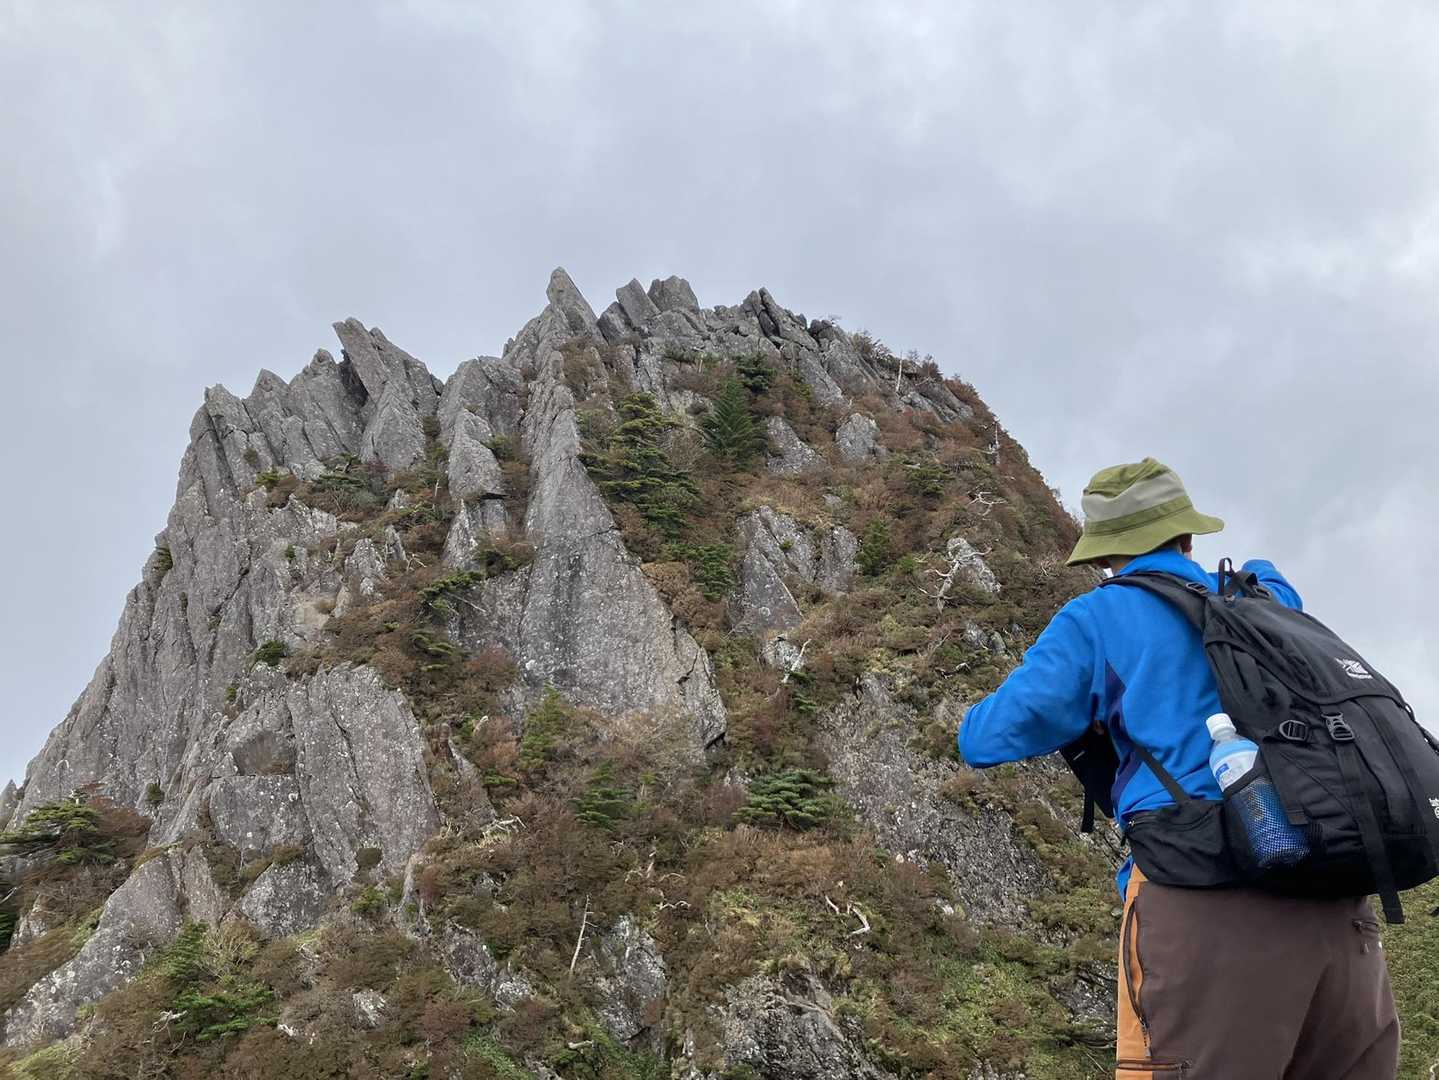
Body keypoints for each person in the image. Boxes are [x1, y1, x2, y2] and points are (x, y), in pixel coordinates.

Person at [957, 458, 1399, 1080]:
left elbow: (985, 738)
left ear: (1105, 555)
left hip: (1204, 908)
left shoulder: (1099, 619)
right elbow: (1281, 586)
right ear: (1188, 536)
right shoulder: (1259, 600)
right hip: (1339, 911)